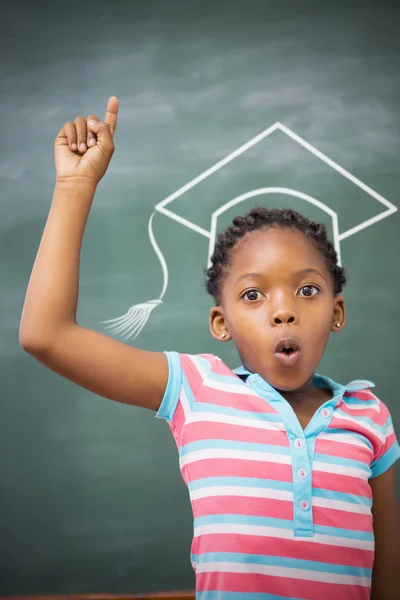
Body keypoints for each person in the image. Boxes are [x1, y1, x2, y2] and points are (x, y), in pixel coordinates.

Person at [19, 97, 400, 600]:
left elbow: (389, 578)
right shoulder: (197, 391)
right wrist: (74, 186)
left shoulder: (368, 416)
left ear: (337, 313)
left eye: (307, 290)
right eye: (252, 295)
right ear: (221, 324)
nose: (283, 311)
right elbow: (46, 334)